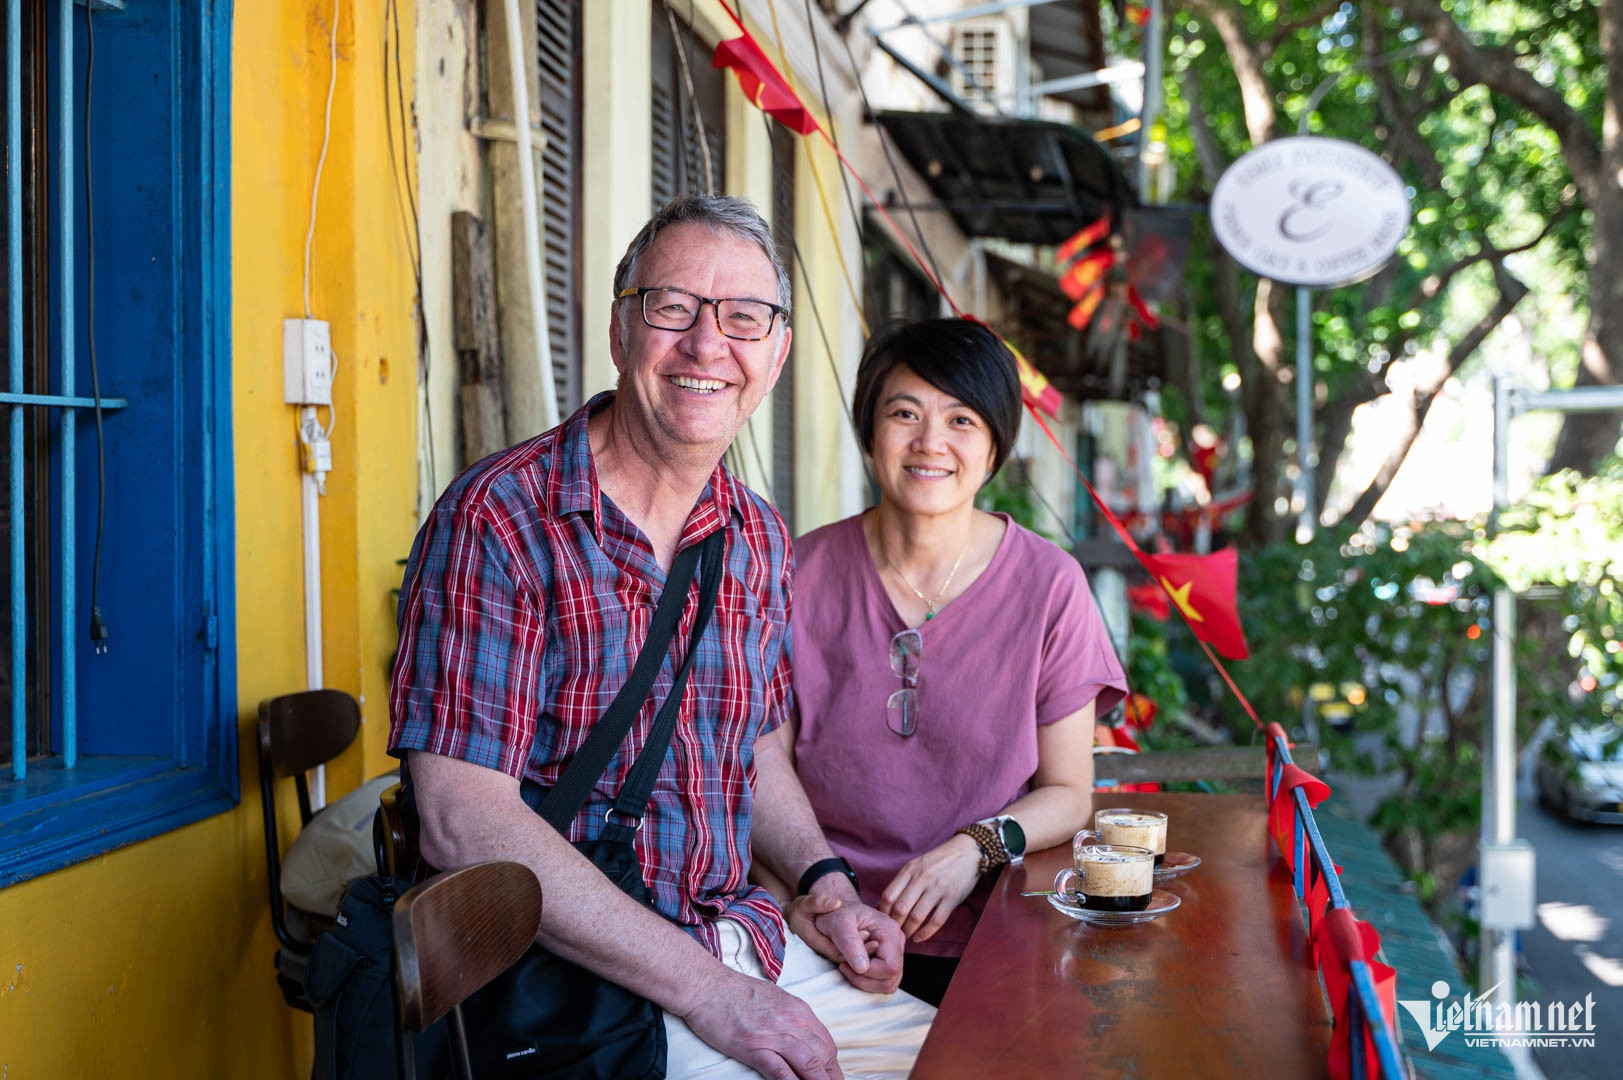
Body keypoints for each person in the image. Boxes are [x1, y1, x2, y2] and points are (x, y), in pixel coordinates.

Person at [388, 195, 935, 1080]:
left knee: (984, 1052)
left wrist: (823, 885)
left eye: (744, 318)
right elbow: (461, 821)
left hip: (736, 944)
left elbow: (749, 746)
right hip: (563, 987)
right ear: (619, 330)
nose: (707, 345)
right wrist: (711, 994)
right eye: (672, 308)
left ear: (777, 353)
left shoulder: (752, 534)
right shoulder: (501, 518)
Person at [786, 318, 1128, 1007]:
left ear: (996, 442)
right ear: (868, 431)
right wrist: (798, 896)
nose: (929, 443)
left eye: (961, 419)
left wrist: (974, 848)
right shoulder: (796, 571)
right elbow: (753, 768)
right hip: (816, 931)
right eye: (903, 413)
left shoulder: (1048, 584)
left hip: (991, 938)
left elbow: (1068, 792)